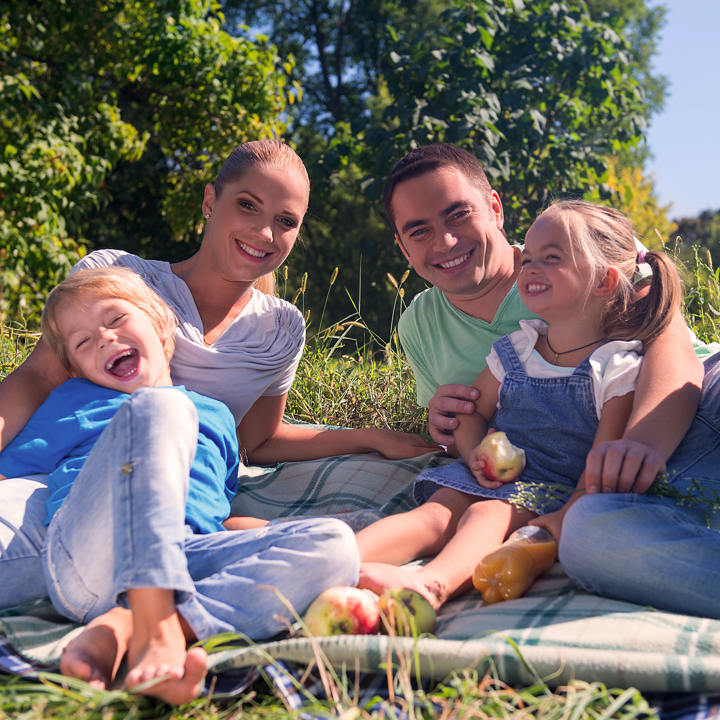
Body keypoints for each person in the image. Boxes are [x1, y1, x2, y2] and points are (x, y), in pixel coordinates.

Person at [0, 139, 438, 609]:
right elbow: (37, 378)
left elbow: (258, 442)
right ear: (210, 201)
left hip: (174, 526)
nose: (265, 233)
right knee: (163, 409)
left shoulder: (279, 328)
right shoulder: (120, 282)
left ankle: (147, 620)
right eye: (247, 205)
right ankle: (148, 616)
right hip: (82, 495)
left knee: (329, 547)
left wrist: (369, 437)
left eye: (285, 221)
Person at [383, 144, 720, 617]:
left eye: (458, 216)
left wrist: (642, 443)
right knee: (589, 538)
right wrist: (449, 422)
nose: (445, 243)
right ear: (403, 246)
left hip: (686, 404)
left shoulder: (579, 256)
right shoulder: (419, 324)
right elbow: (477, 430)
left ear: (495, 209)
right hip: (611, 477)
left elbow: (674, 353)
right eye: (420, 231)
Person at [0, 266, 362, 702]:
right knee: (160, 409)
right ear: (77, 369)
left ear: (159, 322)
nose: (103, 338)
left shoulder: (218, 418)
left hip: (182, 559)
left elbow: (208, 512)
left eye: (116, 320)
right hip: (88, 551)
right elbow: (12, 471)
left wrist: (266, 532)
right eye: (82, 342)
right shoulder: (76, 402)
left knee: (335, 545)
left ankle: (129, 624)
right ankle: (154, 625)